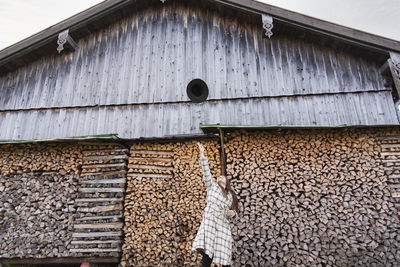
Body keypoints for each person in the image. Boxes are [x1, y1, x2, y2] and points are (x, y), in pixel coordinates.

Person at [192, 142, 239, 267]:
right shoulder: (212, 187)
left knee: (223, 252)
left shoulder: (230, 195)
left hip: (223, 224)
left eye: (222, 177)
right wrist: (202, 155)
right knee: (208, 252)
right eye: (218, 177)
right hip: (211, 221)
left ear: (227, 182)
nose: (220, 178)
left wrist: (233, 213)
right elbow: (206, 172)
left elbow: (236, 213)